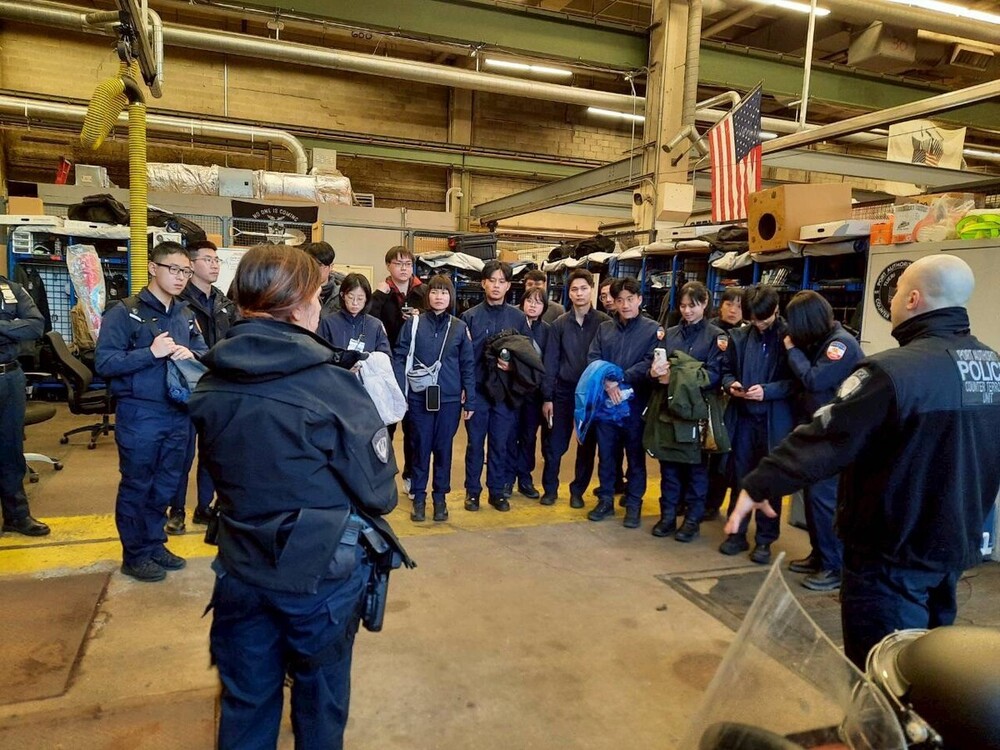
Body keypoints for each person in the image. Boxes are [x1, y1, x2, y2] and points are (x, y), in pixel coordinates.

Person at [727, 255, 1000, 668]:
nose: (890, 301)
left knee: (883, 673)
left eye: (894, 292)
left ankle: (883, 733)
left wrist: (761, 482)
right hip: (953, 551)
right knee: (931, 670)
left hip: (891, 556)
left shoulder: (892, 373)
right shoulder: (994, 368)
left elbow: (829, 436)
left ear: (912, 298)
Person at [189, 244, 407, 750]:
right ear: (300, 304)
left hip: (241, 565)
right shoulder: (330, 386)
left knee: (245, 703)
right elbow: (379, 493)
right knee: (319, 705)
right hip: (319, 577)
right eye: (317, 295)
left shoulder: (212, 378)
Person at [96, 241, 207, 582]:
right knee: (137, 483)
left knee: (167, 483)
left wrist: (193, 353)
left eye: (186, 271)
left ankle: (155, 543)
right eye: (173, 269)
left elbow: (202, 349)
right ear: (152, 268)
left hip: (178, 412)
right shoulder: (123, 313)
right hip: (141, 413)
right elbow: (104, 363)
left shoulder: (184, 314)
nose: (180, 277)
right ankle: (135, 554)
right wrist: (151, 352)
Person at [781, 290, 863, 592]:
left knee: (823, 500)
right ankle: (820, 555)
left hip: (836, 436)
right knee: (813, 499)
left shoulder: (840, 345)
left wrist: (792, 350)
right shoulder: (824, 341)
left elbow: (815, 380)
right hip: (820, 432)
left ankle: (834, 567)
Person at [718, 284, 794, 565]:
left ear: (775, 310)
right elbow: (725, 370)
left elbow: (797, 381)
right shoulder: (739, 336)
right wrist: (731, 385)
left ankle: (764, 540)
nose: (758, 324)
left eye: (763, 319)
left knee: (769, 480)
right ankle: (736, 533)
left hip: (774, 421)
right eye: (752, 319)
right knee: (740, 476)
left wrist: (768, 391)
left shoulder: (789, 338)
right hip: (744, 418)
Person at [167, 239, 237, 535]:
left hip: (216, 385)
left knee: (213, 451)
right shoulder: (178, 304)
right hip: (185, 386)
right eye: (208, 259)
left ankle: (204, 507)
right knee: (181, 453)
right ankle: (176, 510)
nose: (214, 265)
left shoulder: (224, 303)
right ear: (191, 264)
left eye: (216, 260)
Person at [393, 274, 475, 522]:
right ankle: (419, 497)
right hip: (419, 398)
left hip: (449, 399)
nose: (439, 297)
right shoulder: (414, 324)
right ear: (427, 296)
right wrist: (400, 391)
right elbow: (400, 356)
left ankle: (440, 498)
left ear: (451, 297)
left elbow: (467, 364)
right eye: (435, 292)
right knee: (420, 447)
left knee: (443, 449)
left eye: (444, 292)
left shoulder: (459, 327)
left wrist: (470, 399)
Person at [647, 281, 725, 542]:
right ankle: (668, 516)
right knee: (668, 467)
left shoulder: (716, 336)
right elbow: (657, 362)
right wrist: (656, 372)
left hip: (696, 412)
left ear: (704, 304)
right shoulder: (669, 334)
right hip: (668, 408)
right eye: (682, 306)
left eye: (692, 306)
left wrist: (677, 376)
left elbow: (713, 375)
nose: (687, 311)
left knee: (696, 470)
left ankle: (692, 520)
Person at [586, 276, 660, 528]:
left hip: (636, 405)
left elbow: (651, 362)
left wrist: (621, 378)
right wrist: (607, 381)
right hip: (607, 405)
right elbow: (594, 356)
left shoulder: (653, 330)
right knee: (606, 455)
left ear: (639, 299)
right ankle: (606, 499)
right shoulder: (605, 329)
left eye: (630, 299)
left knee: (635, 457)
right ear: (613, 303)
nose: (625, 304)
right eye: (620, 300)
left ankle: (633, 503)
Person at [461, 260, 531, 512]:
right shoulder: (469, 317)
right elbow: (462, 357)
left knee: (501, 444)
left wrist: (511, 367)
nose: (496, 286)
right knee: (475, 444)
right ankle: (472, 492)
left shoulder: (518, 318)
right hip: (478, 391)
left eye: (502, 281)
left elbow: (527, 357)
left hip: (505, 394)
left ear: (508, 286)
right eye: (492, 280)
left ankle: (497, 492)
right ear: (483, 283)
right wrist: (465, 390)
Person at [540, 269, 610, 507]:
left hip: (592, 395)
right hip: (563, 393)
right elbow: (550, 361)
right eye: (574, 289)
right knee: (555, 444)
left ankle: (578, 491)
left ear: (592, 290)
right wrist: (547, 397)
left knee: (586, 445)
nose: (579, 293)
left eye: (583, 288)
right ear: (568, 293)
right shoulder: (558, 324)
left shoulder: (604, 323)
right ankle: (550, 489)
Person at [370, 246, 426, 494]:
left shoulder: (423, 292)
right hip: (387, 366)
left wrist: (418, 316)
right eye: (398, 263)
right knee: (386, 425)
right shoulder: (381, 293)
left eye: (408, 264)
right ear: (388, 266)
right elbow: (369, 318)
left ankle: (411, 477)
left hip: (415, 366)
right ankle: (381, 477)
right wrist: (380, 296)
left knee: (414, 426)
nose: (404, 268)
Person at [0, 272, 50, 537]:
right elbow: (23, 326)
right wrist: (10, 327)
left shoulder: (12, 289)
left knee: (10, 450)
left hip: (9, 377)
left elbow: (35, 326)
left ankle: (17, 516)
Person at [704, 287, 744, 519]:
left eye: (739, 306)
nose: (733, 310)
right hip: (712, 399)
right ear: (721, 306)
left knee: (729, 455)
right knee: (712, 454)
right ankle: (709, 503)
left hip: (735, 402)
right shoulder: (712, 331)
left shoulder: (744, 334)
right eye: (730, 304)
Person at [510, 287, 551, 499]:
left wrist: (547, 396)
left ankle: (525, 478)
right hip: (512, 392)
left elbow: (548, 365)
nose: (533, 305)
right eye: (529, 300)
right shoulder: (513, 325)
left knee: (528, 437)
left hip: (534, 394)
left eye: (538, 302)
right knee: (508, 436)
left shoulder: (547, 330)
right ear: (522, 302)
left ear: (544, 307)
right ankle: (506, 480)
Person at [318, 273, 390, 356]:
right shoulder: (328, 323)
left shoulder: (375, 325)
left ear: (366, 298)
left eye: (360, 298)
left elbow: (385, 358)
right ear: (342, 295)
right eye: (350, 297)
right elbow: (320, 355)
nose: (355, 303)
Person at [301, 241, 341, 316]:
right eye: (309, 264)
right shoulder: (296, 292)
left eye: (318, 265)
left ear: (331, 266)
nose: (313, 269)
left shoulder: (343, 295)